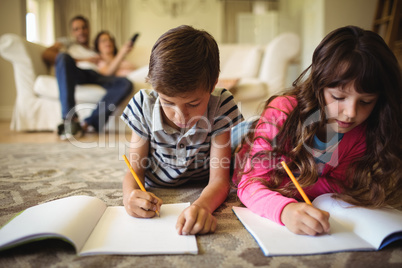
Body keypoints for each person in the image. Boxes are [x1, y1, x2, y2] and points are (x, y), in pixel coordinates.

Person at [234, 25, 402, 236]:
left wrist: (284, 184)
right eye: (339, 97)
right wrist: (285, 209)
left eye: (366, 101)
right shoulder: (282, 111)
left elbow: (338, 185)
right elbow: (249, 183)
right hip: (242, 139)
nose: (350, 113)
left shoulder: (360, 132)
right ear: (318, 85)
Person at [121, 25, 243, 235]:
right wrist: (129, 195)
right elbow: (134, 169)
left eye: (193, 103)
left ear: (213, 84)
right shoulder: (143, 104)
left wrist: (202, 206)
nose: (180, 115)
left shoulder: (222, 104)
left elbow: (220, 180)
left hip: (203, 180)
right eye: (168, 102)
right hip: (157, 180)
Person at [42, 15, 133, 140]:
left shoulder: (94, 48)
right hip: (77, 72)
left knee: (125, 83)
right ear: (72, 32)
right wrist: (83, 59)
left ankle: (88, 123)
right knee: (63, 57)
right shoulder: (69, 45)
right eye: (76, 29)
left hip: (97, 75)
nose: (81, 31)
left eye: (84, 28)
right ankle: (70, 120)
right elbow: (46, 54)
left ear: (89, 29)